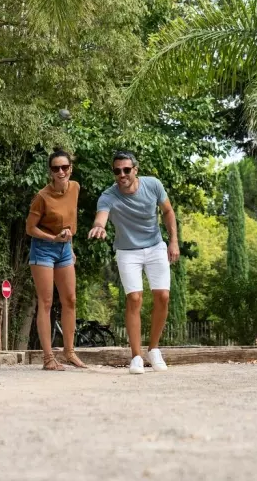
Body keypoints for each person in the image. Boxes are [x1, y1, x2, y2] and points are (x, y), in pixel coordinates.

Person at [88, 151, 179, 374]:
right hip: (127, 251)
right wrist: (99, 226)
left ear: (135, 170)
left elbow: (168, 211)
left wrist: (173, 241)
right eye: (117, 171)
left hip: (155, 246)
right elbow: (101, 216)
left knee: (163, 296)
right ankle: (136, 356)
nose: (122, 174)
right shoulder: (108, 196)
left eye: (126, 170)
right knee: (134, 298)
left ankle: (154, 349)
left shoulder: (153, 185)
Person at [25, 148, 87, 371]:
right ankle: (48, 358)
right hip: (43, 248)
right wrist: (53, 238)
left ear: (71, 168)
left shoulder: (75, 187)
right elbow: (30, 228)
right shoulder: (42, 197)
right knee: (46, 302)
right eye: (55, 168)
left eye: (64, 167)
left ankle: (69, 352)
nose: (61, 171)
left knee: (70, 299)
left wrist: (70, 245)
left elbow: (70, 219)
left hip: (65, 247)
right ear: (50, 172)